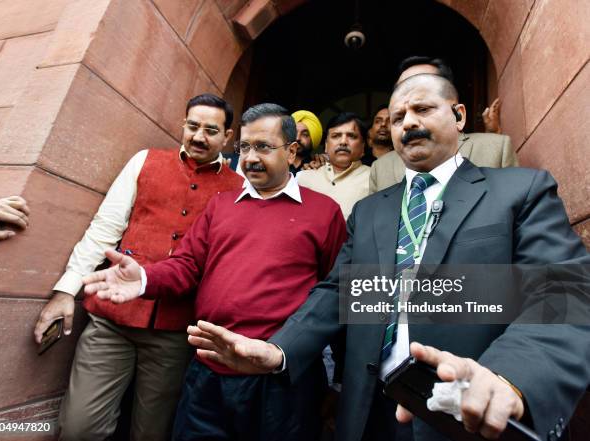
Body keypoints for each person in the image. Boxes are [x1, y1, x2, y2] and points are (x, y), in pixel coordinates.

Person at [181, 74, 590, 441]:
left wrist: (511, 378)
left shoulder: (520, 192)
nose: (408, 122)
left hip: (466, 411)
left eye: (423, 109)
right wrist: (279, 351)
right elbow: (337, 290)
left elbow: (564, 293)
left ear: (460, 116)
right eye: (397, 118)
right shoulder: (371, 211)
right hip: (370, 410)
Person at [82, 103, 347, 441]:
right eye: (246, 147)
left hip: (281, 381)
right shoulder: (221, 205)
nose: (250, 158)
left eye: (264, 147)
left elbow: (337, 294)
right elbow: (188, 265)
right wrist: (146, 278)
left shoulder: (324, 212)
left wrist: (341, 379)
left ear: (292, 152)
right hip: (207, 373)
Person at [33, 93, 243, 441]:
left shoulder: (238, 189)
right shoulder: (145, 161)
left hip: (176, 335)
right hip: (111, 322)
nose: (199, 137)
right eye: (192, 126)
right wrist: (65, 291)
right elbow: (104, 229)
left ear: (227, 137)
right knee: (78, 429)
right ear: (183, 125)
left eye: (210, 130)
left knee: (153, 433)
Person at [369, 56, 517, 192]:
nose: (409, 122)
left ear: (458, 114)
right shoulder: (380, 168)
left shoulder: (496, 149)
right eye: (402, 87)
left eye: (421, 82)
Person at [296, 112, 370, 219]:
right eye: (336, 136)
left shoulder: (373, 179)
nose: (343, 142)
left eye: (352, 136)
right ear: (326, 145)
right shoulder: (303, 178)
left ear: (363, 147)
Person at [291, 109, 323, 174]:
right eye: (294, 132)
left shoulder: (319, 166)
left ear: (313, 139)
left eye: (305, 134)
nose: (297, 138)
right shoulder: (276, 162)